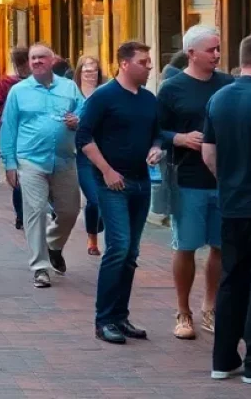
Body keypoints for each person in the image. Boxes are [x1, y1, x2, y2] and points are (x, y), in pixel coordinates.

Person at [203, 33, 251, 384]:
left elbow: (209, 153)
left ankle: (223, 359)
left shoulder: (218, 99)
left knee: (232, 280)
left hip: (231, 205)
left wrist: (230, 182)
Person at [76, 41, 162, 345]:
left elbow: (157, 133)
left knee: (131, 253)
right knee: (118, 247)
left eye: (149, 61)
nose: (149, 66)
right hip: (112, 184)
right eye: (143, 61)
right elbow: (83, 138)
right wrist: (107, 171)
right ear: (125, 64)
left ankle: (120, 316)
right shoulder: (103, 96)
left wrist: (157, 148)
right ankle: (104, 320)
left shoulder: (149, 99)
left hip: (141, 182)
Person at [156, 25, 230, 341]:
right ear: (191, 53)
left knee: (220, 246)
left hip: (224, 180)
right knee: (185, 246)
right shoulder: (172, 89)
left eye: (218, 48)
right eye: (211, 49)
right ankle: (182, 311)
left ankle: (210, 306)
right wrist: (180, 138)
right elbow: (155, 130)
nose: (217, 54)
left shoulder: (227, 84)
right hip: (187, 180)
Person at [0, 42, 84, 289]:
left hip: (65, 158)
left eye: (42, 57)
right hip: (30, 159)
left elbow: (83, 110)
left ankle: (53, 244)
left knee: (70, 211)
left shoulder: (69, 87)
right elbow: (8, 127)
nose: (37, 61)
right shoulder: (18, 91)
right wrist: (10, 163)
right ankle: (40, 267)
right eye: (33, 58)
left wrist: (78, 119)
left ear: (52, 60)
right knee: (35, 211)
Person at [73, 56, 105, 256]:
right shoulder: (72, 93)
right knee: (94, 199)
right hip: (82, 154)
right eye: (86, 70)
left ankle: (98, 229)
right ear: (79, 72)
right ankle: (92, 238)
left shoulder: (105, 92)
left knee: (103, 198)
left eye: (94, 70)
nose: (90, 74)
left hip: (105, 152)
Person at [0, 47, 29, 230]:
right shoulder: (12, 83)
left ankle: (21, 215)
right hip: (24, 133)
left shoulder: (6, 82)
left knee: (18, 175)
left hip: (13, 132)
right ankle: (23, 214)